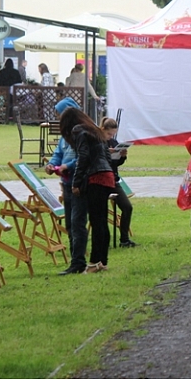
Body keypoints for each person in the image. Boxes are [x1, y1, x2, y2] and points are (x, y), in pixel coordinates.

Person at [65, 108, 115, 273]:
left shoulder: (78, 131)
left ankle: (93, 263)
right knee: (102, 221)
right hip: (107, 175)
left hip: (95, 177)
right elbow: (107, 156)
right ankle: (103, 261)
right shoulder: (95, 131)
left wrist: (76, 182)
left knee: (96, 220)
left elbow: (83, 157)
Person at [46, 98, 84, 275]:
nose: (59, 118)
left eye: (61, 115)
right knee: (69, 223)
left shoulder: (81, 134)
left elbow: (84, 158)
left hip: (79, 184)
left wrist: (68, 166)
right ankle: (74, 258)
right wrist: (52, 164)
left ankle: (79, 261)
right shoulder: (64, 136)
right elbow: (58, 153)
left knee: (77, 222)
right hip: (66, 183)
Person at [100, 117, 136, 247]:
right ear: (103, 130)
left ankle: (124, 239)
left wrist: (122, 156)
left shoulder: (113, 142)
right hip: (100, 180)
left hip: (113, 179)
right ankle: (103, 241)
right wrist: (106, 153)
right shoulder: (98, 142)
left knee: (127, 207)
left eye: (113, 134)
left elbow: (116, 163)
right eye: (109, 134)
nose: (111, 137)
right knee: (101, 211)